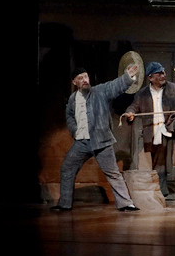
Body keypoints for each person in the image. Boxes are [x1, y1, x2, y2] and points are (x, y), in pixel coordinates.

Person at [52, 65, 140, 212]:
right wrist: (75, 131)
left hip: (101, 141)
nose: (84, 80)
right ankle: (64, 204)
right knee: (67, 168)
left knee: (112, 172)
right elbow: (70, 116)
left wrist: (128, 77)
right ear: (74, 82)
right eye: (80, 78)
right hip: (81, 142)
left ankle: (126, 203)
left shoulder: (99, 91)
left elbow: (115, 86)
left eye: (86, 76)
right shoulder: (73, 99)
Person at [125, 61, 175, 196]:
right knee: (159, 162)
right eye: (159, 74)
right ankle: (162, 192)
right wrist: (130, 113)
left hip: (171, 123)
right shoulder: (142, 94)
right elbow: (133, 107)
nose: (163, 75)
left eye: (163, 72)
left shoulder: (174, 88)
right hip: (154, 129)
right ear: (150, 78)